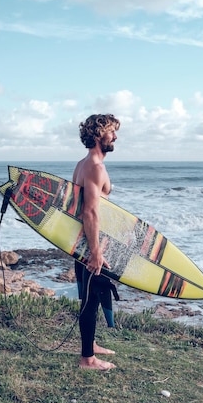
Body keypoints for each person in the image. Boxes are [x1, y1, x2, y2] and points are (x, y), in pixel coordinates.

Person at [72, 113, 120, 370]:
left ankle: (90, 345)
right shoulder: (94, 166)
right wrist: (95, 252)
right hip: (89, 244)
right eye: (112, 131)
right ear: (99, 133)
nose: (115, 137)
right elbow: (89, 211)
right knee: (90, 300)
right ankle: (87, 359)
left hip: (85, 242)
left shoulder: (83, 163)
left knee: (95, 294)